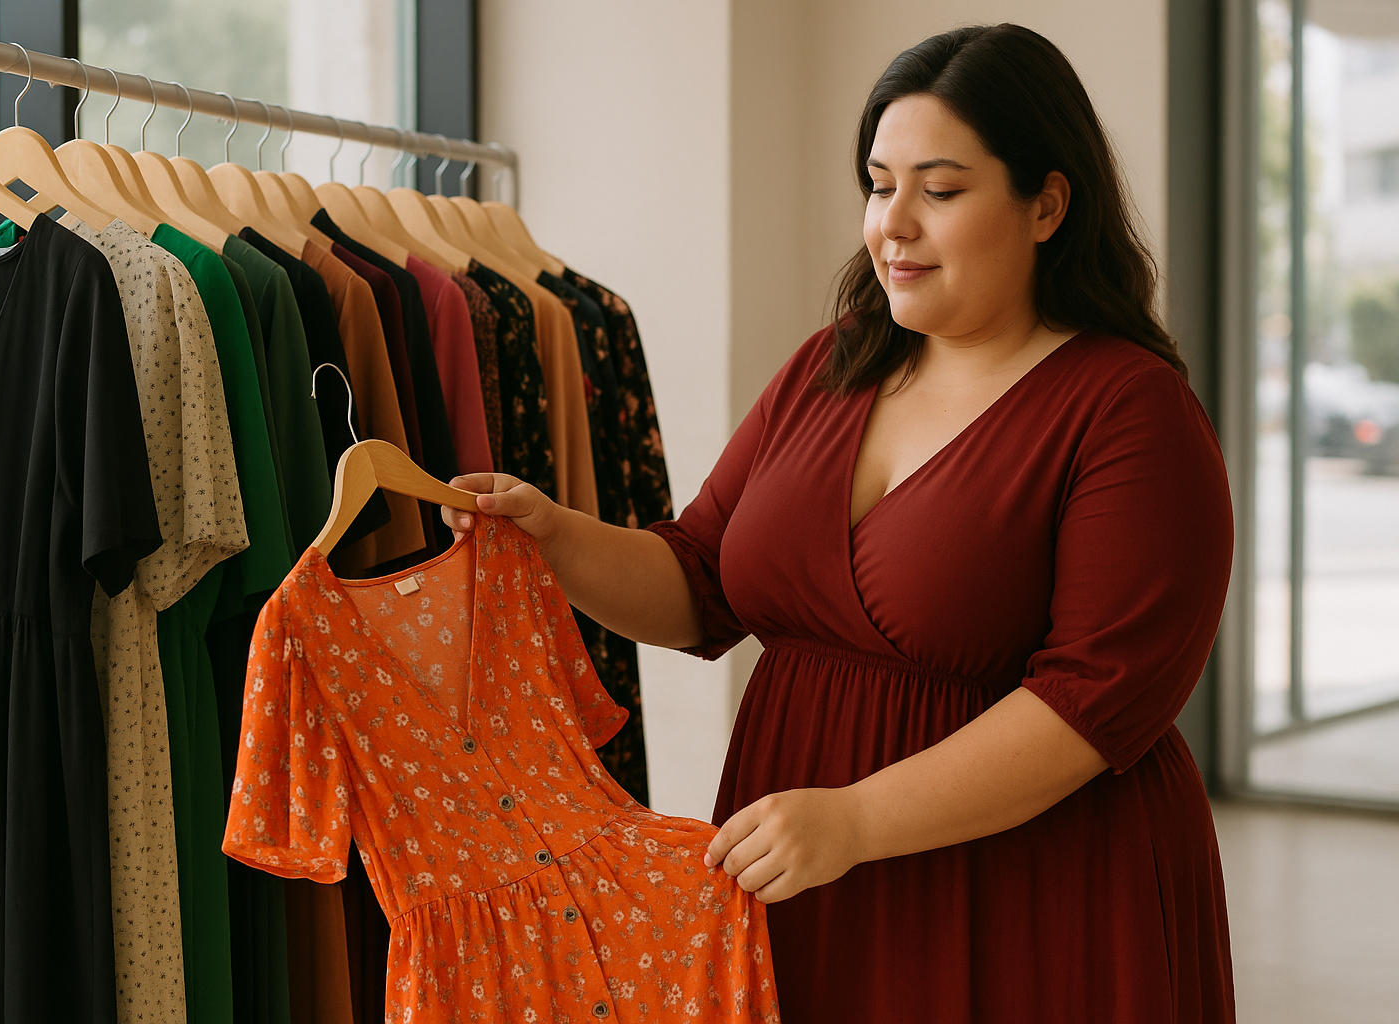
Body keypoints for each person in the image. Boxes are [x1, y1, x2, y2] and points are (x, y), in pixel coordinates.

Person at [443, 23, 1235, 1024]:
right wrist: (552, 535)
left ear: (1047, 203)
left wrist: (856, 819)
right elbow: (699, 583)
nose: (892, 224)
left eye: (939, 191)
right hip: (806, 862)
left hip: (1027, 881)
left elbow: (1094, 704)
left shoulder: (1129, 408)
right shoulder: (838, 361)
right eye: (878, 183)